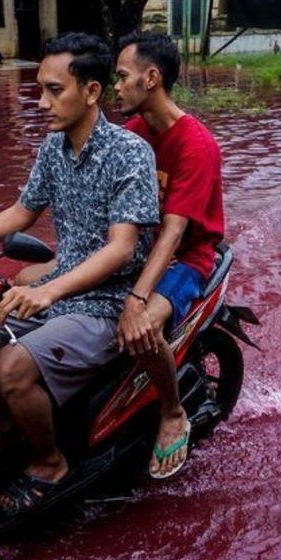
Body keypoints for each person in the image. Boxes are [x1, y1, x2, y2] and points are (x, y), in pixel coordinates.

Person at [0, 32, 159, 514]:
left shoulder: (129, 153)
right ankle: (17, 432)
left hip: (107, 302)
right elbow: (22, 212)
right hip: (60, 290)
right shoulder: (53, 148)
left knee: (13, 368)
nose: (41, 103)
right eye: (39, 89)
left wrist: (48, 289)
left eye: (53, 90)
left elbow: (122, 249)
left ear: (92, 91)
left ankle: (49, 462)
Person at [113, 31, 225, 479]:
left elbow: (176, 232)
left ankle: (172, 410)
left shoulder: (197, 145)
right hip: (141, 248)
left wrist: (138, 299)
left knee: (141, 330)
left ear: (152, 78)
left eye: (122, 77)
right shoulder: (134, 133)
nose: (116, 87)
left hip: (188, 258)